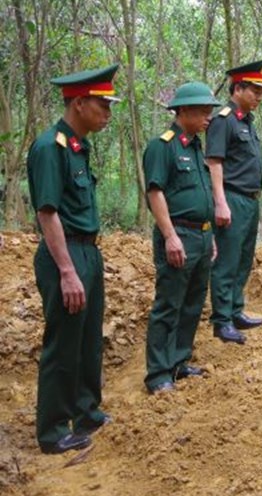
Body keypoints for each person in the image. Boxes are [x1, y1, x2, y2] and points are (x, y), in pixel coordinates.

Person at [26, 64, 120, 454]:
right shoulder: (51, 147)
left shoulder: (80, 147)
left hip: (88, 251)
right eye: (102, 105)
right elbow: (48, 213)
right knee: (64, 342)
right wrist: (67, 271)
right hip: (64, 253)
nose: (108, 114)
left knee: (87, 340)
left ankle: (86, 410)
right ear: (79, 103)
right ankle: (52, 430)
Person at [142, 82, 220, 394]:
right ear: (183, 111)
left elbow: (200, 194)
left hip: (200, 235)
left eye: (210, 111)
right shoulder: (163, 146)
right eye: (203, 111)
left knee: (192, 302)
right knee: (169, 303)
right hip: (178, 234)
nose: (208, 118)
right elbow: (155, 192)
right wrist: (170, 236)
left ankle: (178, 360)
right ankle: (158, 373)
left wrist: (209, 233)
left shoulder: (195, 146)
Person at [205, 60, 262, 344]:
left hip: (250, 201)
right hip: (231, 198)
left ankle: (235, 310)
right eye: (255, 90)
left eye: (261, 91)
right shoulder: (224, 120)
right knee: (227, 260)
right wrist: (220, 202)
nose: (259, 96)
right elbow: (214, 162)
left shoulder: (247, 121)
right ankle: (221, 320)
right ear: (238, 88)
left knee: (243, 258)